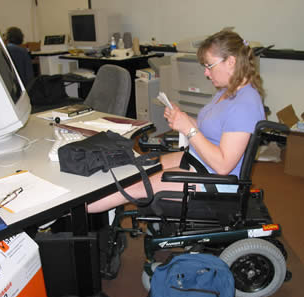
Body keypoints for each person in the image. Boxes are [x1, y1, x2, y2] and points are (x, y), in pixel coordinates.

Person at [88, 30, 265, 213]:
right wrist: (185, 120)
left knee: (133, 187)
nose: (206, 73)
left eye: (209, 66)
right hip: (199, 162)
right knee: (139, 168)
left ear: (231, 62)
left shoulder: (245, 105)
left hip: (213, 181)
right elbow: (215, 129)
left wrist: (188, 129)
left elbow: (223, 165)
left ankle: (78, 211)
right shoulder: (228, 91)